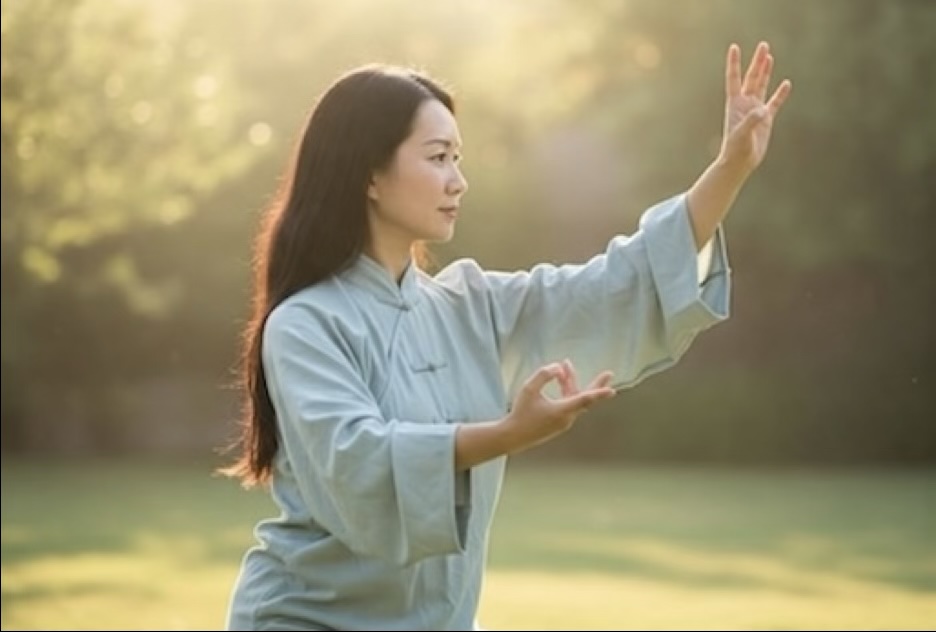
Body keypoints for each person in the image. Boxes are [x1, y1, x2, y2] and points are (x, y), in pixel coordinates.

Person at [219, 41, 791, 631]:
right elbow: (358, 462)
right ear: (369, 173)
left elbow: (607, 288)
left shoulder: (470, 307)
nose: (459, 181)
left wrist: (729, 170)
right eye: (438, 158)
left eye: (458, 158)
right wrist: (506, 434)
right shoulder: (306, 324)